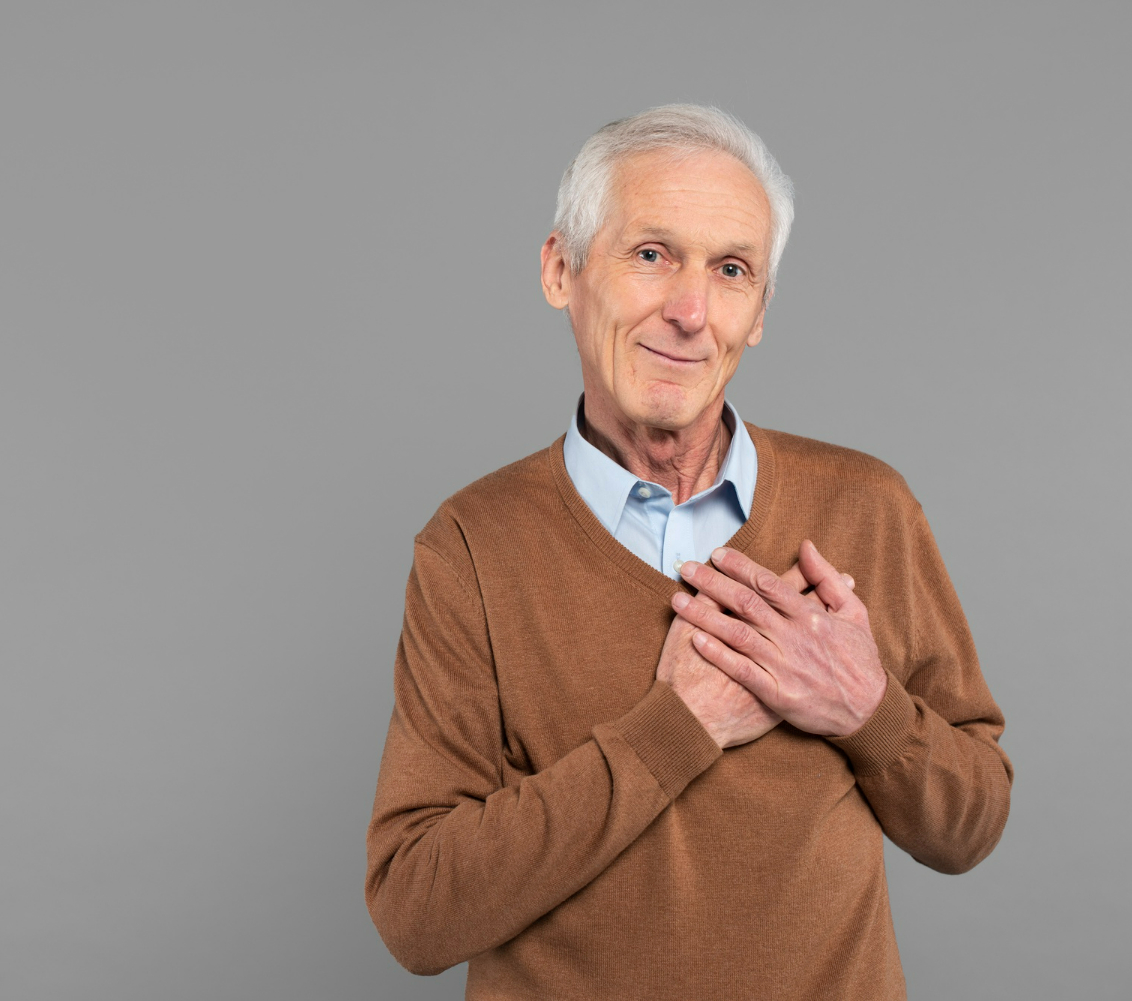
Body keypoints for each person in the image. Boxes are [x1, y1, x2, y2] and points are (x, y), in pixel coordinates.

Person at [364, 105, 1012, 1001]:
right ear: (562, 270)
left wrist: (867, 704)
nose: (690, 311)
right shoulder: (472, 547)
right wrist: (675, 728)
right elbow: (417, 910)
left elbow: (970, 825)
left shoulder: (867, 508)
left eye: (732, 270)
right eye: (651, 254)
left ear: (760, 313)